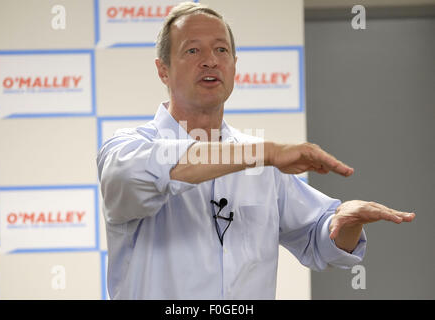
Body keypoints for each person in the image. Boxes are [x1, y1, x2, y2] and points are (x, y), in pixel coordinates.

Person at [97, 2, 415, 299]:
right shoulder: (125, 148)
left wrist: (345, 224)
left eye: (221, 49)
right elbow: (158, 169)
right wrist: (265, 153)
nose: (210, 60)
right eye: (192, 50)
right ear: (162, 70)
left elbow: (320, 239)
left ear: (235, 65)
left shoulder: (262, 161)